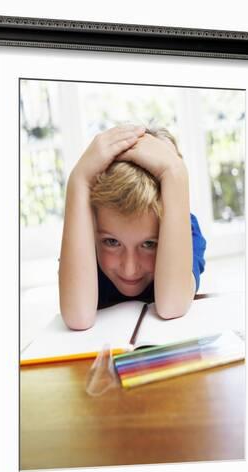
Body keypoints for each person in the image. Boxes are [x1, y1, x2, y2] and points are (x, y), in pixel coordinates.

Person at [59, 125, 206, 330]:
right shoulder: (84, 235)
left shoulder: (187, 232)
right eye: (111, 242)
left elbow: (172, 306)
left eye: (149, 244)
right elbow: (78, 318)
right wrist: (79, 179)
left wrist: (175, 172)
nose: (130, 269)